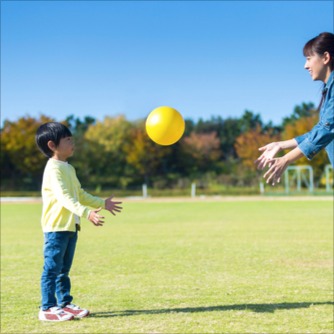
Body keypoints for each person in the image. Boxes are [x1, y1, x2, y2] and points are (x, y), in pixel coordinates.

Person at [35, 122, 123, 321]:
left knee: (63, 270)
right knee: (52, 269)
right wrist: (87, 213)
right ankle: (47, 308)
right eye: (68, 140)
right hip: (56, 227)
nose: (72, 142)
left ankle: (64, 303)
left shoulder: (68, 168)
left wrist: (102, 203)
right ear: (52, 145)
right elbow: (65, 197)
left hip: (70, 227)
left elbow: (79, 193)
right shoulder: (53, 170)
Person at [255, 32, 334, 185]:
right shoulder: (328, 91)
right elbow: (320, 130)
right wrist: (281, 145)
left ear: (325, 57)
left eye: (309, 59)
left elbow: (327, 130)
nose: (306, 66)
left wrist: (286, 159)